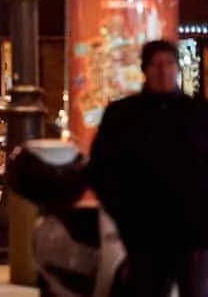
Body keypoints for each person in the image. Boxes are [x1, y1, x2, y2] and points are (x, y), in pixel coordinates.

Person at [89, 40, 208, 297]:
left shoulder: (198, 112)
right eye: (156, 64)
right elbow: (101, 168)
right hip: (144, 230)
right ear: (145, 69)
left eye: (168, 64)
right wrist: (123, 212)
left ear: (177, 68)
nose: (163, 70)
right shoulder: (123, 114)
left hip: (195, 229)